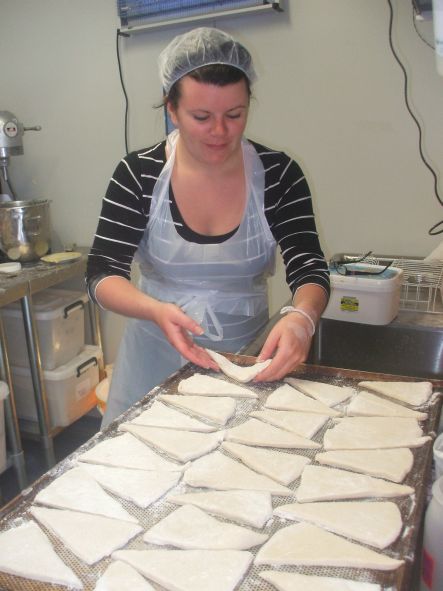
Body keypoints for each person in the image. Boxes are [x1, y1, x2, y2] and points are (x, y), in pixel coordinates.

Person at [87, 27, 330, 428]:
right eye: (201, 117)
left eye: (234, 115)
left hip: (244, 361)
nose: (220, 132)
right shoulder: (139, 174)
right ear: (172, 110)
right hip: (152, 360)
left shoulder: (279, 175)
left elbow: (309, 267)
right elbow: (100, 273)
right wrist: (155, 310)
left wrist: (302, 317)